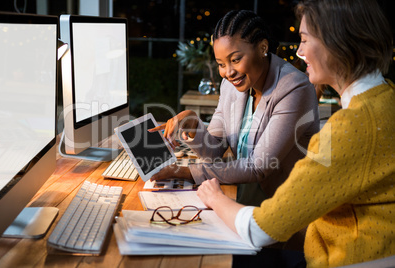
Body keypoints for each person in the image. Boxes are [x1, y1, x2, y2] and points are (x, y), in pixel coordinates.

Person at [196, 0, 395, 267]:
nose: (299, 52)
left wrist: (214, 198)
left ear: (338, 44)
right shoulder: (386, 98)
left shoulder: (350, 127)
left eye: (304, 40)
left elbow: (262, 228)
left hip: (344, 258)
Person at [150, 10, 319, 209]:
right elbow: (214, 152)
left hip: (287, 207)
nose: (228, 72)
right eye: (221, 64)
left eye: (236, 59)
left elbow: (258, 166)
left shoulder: (293, 88)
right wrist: (193, 124)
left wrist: (187, 172)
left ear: (263, 47)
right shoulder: (231, 85)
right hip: (245, 195)